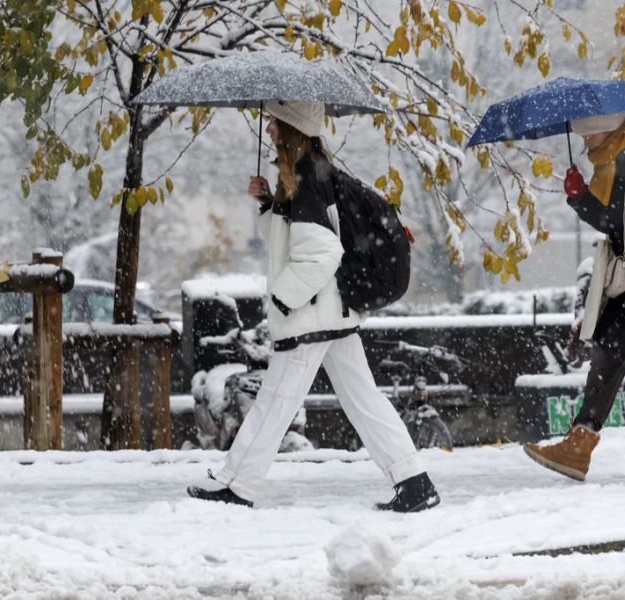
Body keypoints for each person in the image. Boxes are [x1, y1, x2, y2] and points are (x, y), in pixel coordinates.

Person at [187, 100, 440, 512]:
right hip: (331, 312)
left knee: (274, 402)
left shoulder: (307, 178)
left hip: (312, 315)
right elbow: (292, 242)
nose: (268, 130)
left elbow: (321, 253)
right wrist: (270, 204)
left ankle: (236, 484)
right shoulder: (311, 173)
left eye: (273, 123)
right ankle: (414, 482)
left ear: (290, 128)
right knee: (364, 400)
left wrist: (284, 300)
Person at [523, 111, 625, 483]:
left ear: (608, 129)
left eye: (589, 137)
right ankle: (579, 445)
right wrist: (580, 197)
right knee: (613, 352)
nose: (585, 145)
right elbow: (621, 220)